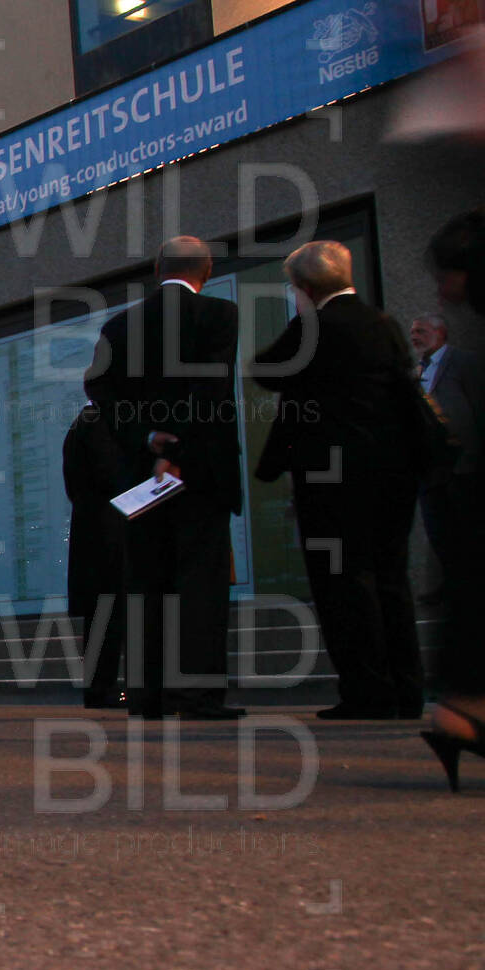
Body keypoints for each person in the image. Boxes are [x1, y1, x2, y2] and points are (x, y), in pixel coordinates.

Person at [250, 240, 425, 720]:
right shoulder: (383, 324)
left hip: (330, 476)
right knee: (391, 579)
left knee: (342, 584)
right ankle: (408, 689)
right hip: (392, 473)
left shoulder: (313, 328)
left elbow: (265, 369)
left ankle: (368, 691)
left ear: (304, 288)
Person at [83, 237, 243, 720]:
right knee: (201, 584)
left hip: (142, 476)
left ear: (157, 269)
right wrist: (178, 450)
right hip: (201, 472)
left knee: (145, 582)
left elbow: (99, 390)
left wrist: (147, 438)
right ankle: (196, 695)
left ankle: (147, 695)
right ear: (207, 271)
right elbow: (210, 389)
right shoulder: (219, 316)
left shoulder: (119, 326)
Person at [421, 210, 485, 785]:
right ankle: (467, 708)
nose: (444, 291)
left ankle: (464, 709)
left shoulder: (467, 359)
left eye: (448, 276)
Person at [413, 311, 485, 595]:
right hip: (432, 466)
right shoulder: (418, 369)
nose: (414, 336)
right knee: (439, 529)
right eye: (413, 331)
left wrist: (476, 455)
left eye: (421, 331)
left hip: (462, 464)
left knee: (466, 528)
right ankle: (453, 584)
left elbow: (481, 406)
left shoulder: (464, 362)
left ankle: (472, 588)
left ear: (440, 333)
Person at [61, 400, 129, 709]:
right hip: (108, 530)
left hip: (93, 529)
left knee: (101, 613)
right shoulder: (99, 421)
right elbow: (111, 475)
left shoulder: (81, 424)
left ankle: (99, 688)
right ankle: (102, 688)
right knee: (109, 611)